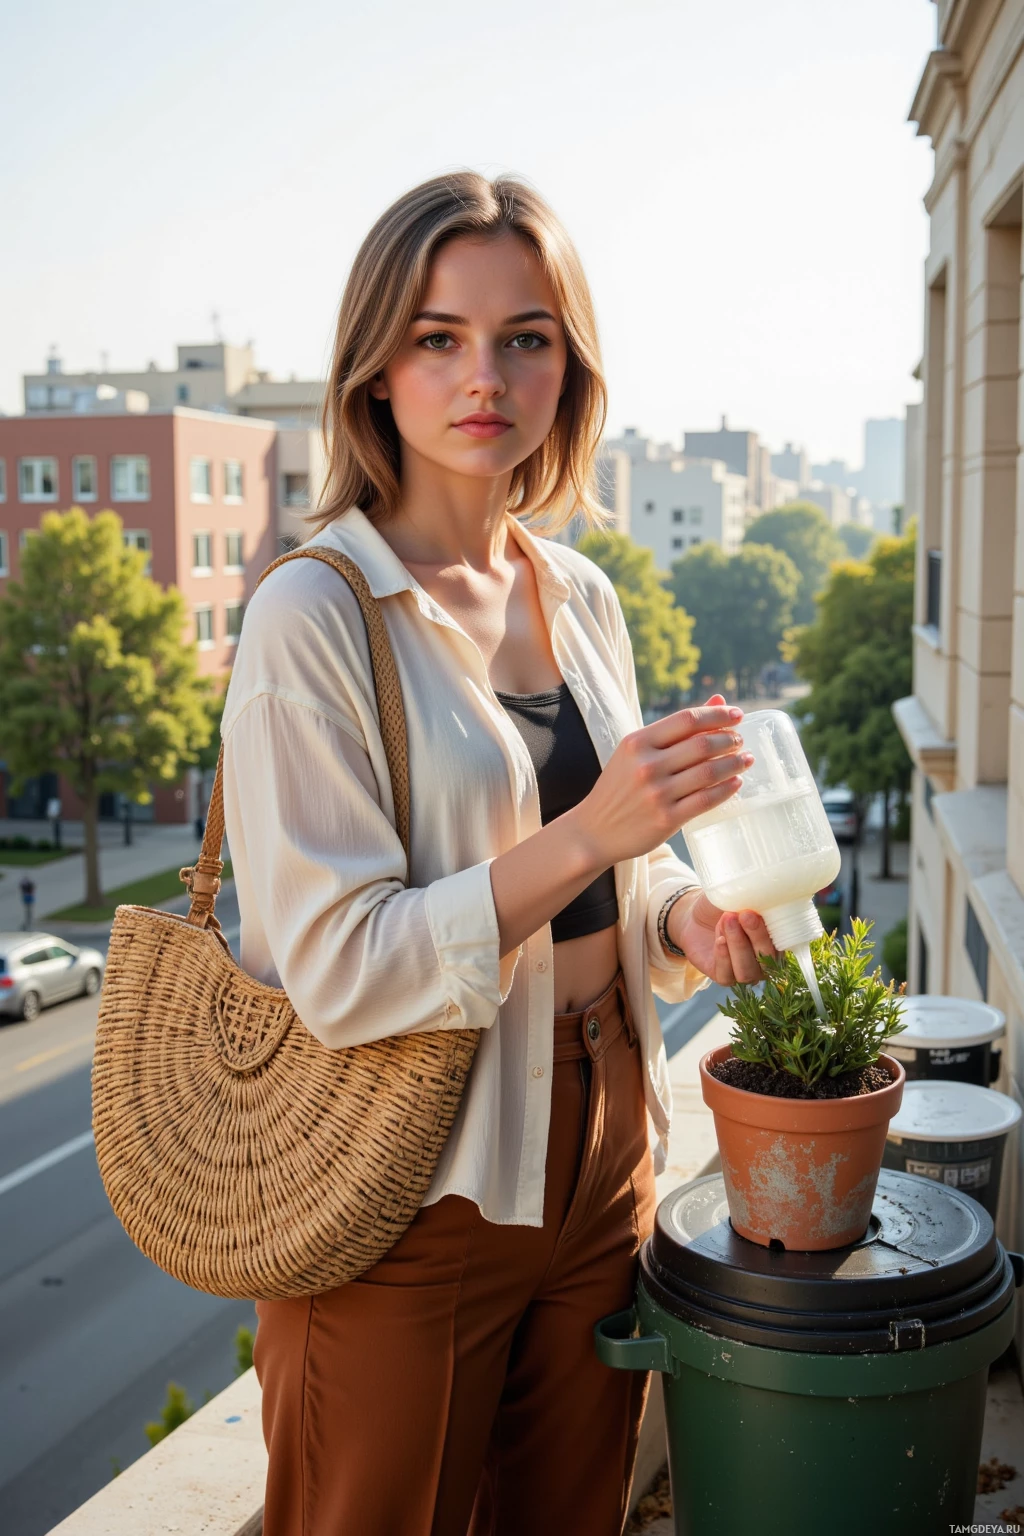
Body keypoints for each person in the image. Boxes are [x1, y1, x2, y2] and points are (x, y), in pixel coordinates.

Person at [221, 172, 777, 1536]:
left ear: (567, 366)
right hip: (416, 1187)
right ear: (375, 369)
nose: (486, 373)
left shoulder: (577, 587)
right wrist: (596, 828)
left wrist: (682, 915)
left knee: (570, 1514)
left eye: (526, 335)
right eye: (439, 336)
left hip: (607, 1150)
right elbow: (340, 968)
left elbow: (617, 873)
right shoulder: (316, 613)